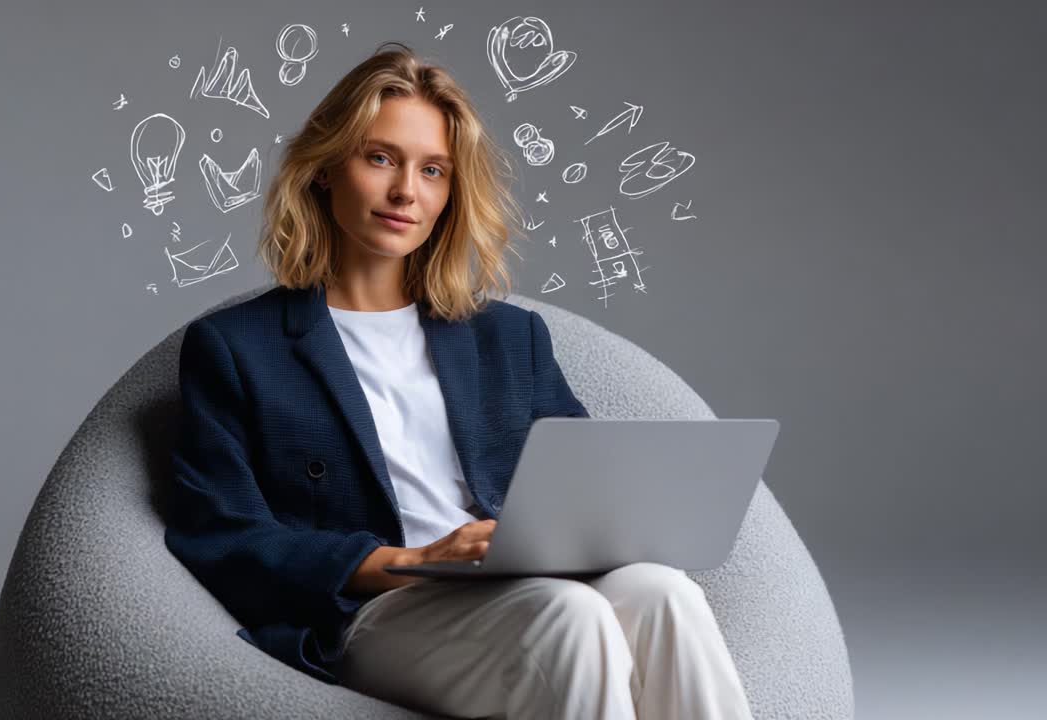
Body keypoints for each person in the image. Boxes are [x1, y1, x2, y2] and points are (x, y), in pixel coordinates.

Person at [164, 42, 754, 720]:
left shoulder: (508, 337)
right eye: (379, 158)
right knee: (570, 616)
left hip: (522, 584)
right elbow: (223, 535)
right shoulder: (238, 348)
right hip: (378, 610)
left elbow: (585, 491)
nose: (406, 192)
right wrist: (414, 557)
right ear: (325, 167)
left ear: (451, 192)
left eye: (433, 170)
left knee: (665, 592)